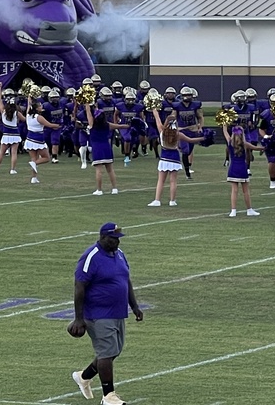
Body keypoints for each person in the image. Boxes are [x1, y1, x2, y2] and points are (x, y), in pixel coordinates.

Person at [69, 222, 143, 405]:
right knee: (106, 353)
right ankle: (109, 396)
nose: (116, 242)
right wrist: (79, 318)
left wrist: (134, 306)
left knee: (112, 351)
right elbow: (79, 287)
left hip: (117, 312)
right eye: (113, 239)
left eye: (118, 239)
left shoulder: (120, 255)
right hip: (97, 313)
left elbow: (126, 281)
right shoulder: (91, 257)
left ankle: (83, 377)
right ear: (102, 237)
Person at [147, 107, 205, 207]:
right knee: (173, 181)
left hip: (164, 158)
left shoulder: (162, 131)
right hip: (175, 159)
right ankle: (172, 201)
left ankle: (157, 200)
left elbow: (157, 119)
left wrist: (154, 110)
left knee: (161, 180)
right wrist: (204, 138)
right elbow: (191, 140)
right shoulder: (178, 134)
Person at [86, 104, 126, 196]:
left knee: (99, 170)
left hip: (97, 149)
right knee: (110, 170)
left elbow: (88, 112)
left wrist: (87, 103)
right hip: (107, 148)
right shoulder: (108, 125)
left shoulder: (92, 124)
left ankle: (99, 190)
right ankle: (114, 188)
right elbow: (120, 126)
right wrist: (128, 126)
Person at [221, 123, 260, 217]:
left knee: (234, 190)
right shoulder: (245, 144)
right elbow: (257, 148)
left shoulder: (230, 142)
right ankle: (249, 210)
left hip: (233, 169)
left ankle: (233, 211)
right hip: (242, 169)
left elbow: (225, 131)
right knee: (245, 190)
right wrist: (267, 147)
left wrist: (224, 123)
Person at [23, 95, 58, 184]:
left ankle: (34, 178)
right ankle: (34, 165)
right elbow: (49, 125)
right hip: (38, 140)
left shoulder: (28, 115)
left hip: (30, 139)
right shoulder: (39, 117)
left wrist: (29, 100)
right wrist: (58, 125)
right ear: (37, 108)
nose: (41, 107)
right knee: (46, 158)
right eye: (40, 106)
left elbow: (28, 106)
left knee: (34, 158)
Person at [0, 85, 23, 175]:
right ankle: (12, 169)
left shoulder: (3, 112)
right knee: (14, 153)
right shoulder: (17, 113)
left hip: (6, 135)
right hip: (15, 135)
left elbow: (0, 100)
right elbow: (25, 120)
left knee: (1, 153)